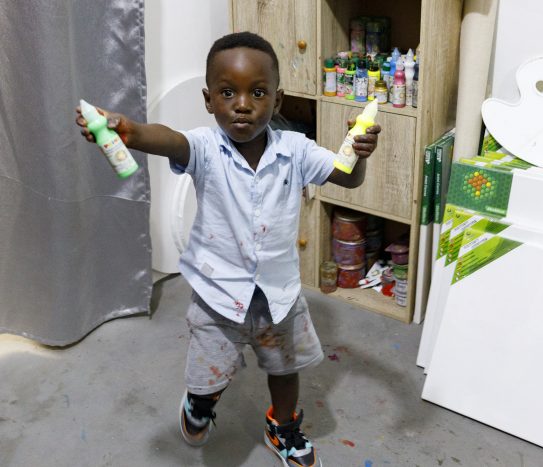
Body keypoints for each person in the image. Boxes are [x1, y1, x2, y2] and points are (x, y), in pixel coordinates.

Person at [76, 32, 381, 467]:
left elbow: (345, 177)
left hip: (278, 295)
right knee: (208, 375)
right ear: (208, 100)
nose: (242, 104)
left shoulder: (295, 150)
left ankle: (283, 426)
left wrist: (359, 154)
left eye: (257, 93)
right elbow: (168, 139)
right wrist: (131, 131)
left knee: (285, 369)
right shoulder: (205, 148)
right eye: (226, 92)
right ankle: (199, 405)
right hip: (217, 295)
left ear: (277, 100)